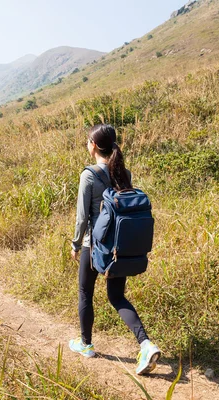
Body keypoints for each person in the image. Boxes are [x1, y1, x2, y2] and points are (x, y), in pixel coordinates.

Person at [68, 124, 161, 375]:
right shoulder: (123, 172)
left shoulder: (88, 175)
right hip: (117, 247)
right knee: (117, 297)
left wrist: (76, 244)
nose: (87, 144)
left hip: (94, 245)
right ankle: (146, 344)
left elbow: (82, 218)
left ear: (94, 145)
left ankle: (86, 344)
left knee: (85, 293)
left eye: (88, 140)